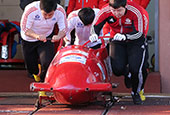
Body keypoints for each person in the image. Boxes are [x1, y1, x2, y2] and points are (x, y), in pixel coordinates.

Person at [89, 0, 149, 105]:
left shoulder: (136, 11)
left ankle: (136, 92)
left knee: (136, 68)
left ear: (125, 6)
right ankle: (127, 73)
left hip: (135, 41)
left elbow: (139, 33)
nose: (117, 14)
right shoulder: (105, 11)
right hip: (117, 39)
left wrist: (125, 36)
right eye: (114, 11)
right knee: (117, 68)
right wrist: (94, 34)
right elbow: (96, 26)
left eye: (119, 10)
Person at [20, 0, 67, 96]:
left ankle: (42, 85)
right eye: (45, 15)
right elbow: (25, 28)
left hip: (46, 38)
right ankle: (36, 73)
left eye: (50, 15)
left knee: (47, 62)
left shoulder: (60, 11)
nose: (47, 17)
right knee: (31, 68)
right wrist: (36, 36)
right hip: (29, 39)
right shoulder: (31, 9)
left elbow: (64, 29)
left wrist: (58, 36)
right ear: (40, 9)